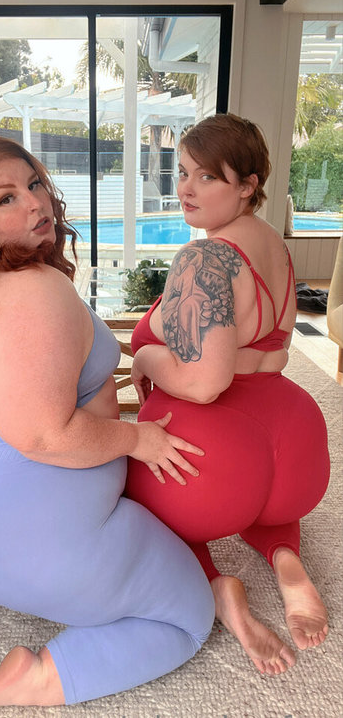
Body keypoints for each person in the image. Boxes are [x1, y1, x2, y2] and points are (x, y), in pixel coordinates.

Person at [0, 136, 215, 715]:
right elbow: (42, 435)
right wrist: (138, 438)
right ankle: (30, 678)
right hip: (29, 534)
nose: (36, 202)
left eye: (34, 184)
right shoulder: (35, 291)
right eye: (5, 198)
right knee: (187, 616)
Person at [125, 113, 330, 677]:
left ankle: (218, 587)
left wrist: (144, 358)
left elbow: (203, 382)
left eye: (207, 176)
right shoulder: (275, 246)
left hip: (214, 453)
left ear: (247, 185)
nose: (185, 188)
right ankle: (285, 558)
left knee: (133, 500)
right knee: (267, 507)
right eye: (182, 172)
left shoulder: (204, 259)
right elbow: (272, 349)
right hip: (295, 440)